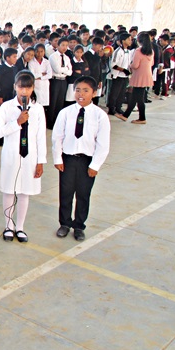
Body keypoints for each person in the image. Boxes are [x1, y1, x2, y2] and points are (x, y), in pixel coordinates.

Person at [53, 76, 110, 241]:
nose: (81, 94)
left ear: (94, 93)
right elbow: (57, 137)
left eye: (86, 90)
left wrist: (95, 165)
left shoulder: (100, 115)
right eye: (77, 90)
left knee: (83, 194)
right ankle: (64, 223)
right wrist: (58, 159)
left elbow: (103, 143)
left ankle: (79, 226)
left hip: (87, 161)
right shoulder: (65, 112)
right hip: (68, 159)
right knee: (66, 193)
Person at [0, 71, 47, 243]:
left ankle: (20, 227)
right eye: (20, 87)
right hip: (11, 154)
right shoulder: (6, 107)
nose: (24, 91)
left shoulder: (38, 109)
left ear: (33, 88)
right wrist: (17, 122)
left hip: (30, 156)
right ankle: (8, 226)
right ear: (15, 87)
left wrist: (41, 161)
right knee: (9, 190)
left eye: (27, 87)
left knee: (25, 191)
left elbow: (41, 137)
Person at [116, 32, 155, 125]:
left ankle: (142, 118)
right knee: (135, 96)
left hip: (139, 76)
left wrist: (130, 65)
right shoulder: (151, 51)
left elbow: (135, 65)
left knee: (139, 98)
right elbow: (152, 63)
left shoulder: (138, 50)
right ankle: (125, 115)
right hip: (147, 75)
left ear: (138, 40)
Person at [48, 38, 72, 128]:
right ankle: (50, 122)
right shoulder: (53, 56)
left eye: (66, 45)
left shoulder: (66, 57)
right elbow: (57, 69)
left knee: (60, 102)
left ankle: (57, 121)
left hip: (63, 80)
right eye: (63, 45)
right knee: (53, 101)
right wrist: (66, 69)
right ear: (58, 45)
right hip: (55, 80)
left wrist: (64, 70)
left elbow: (70, 72)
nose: (65, 47)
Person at [107, 33, 132, 115]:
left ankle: (118, 107)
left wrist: (129, 71)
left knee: (122, 93)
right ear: (123, 41)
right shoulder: (118, 51)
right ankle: (111, 108)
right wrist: (123, 70)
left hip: (125, 76)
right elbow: (113, 65)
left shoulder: (128, 52)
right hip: (117, 76)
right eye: (128, 39)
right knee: (114, 93)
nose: (130, 41)